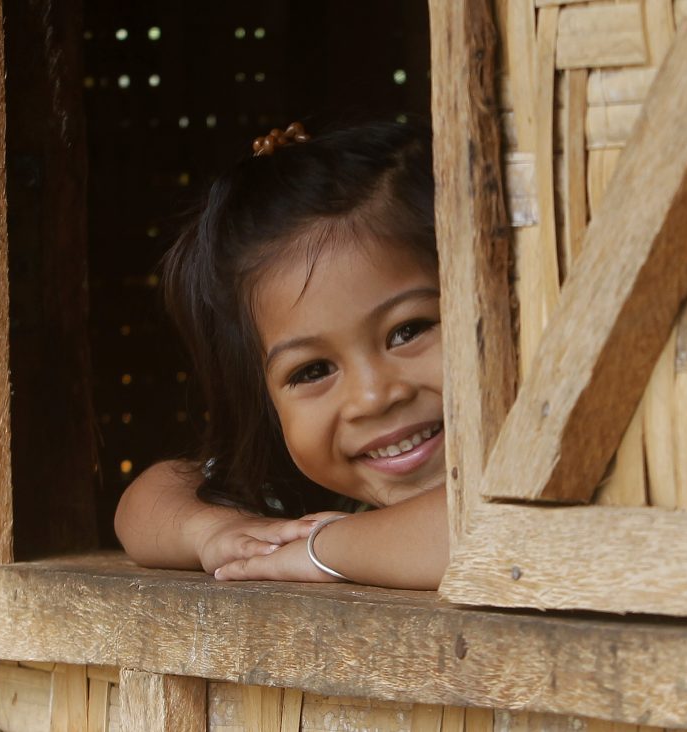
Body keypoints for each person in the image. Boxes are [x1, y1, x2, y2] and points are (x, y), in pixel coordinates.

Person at [113, 120, 449, 590]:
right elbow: (145, 500)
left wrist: (326, 550)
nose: (374, 397)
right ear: (266, 401)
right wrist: (211, 531)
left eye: (408, 330)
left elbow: (481, 533)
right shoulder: (303, 502)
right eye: (312, 370)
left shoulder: (536, 475)